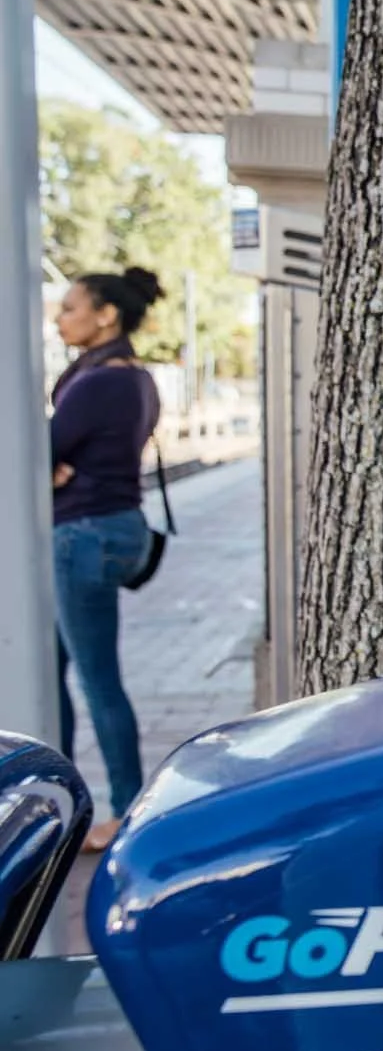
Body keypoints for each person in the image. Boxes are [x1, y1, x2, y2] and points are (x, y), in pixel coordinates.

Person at [49, 267, 164, 848]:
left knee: (97, 681)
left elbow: (32, 452)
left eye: (70, 307)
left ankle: (125, 811)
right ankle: (53, 798)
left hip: (82, 535)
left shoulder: (95, 384)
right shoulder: (136, 378)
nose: (59, 316)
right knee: (52, 670)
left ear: (106, 315)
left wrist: (52, 467)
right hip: (116, 527)